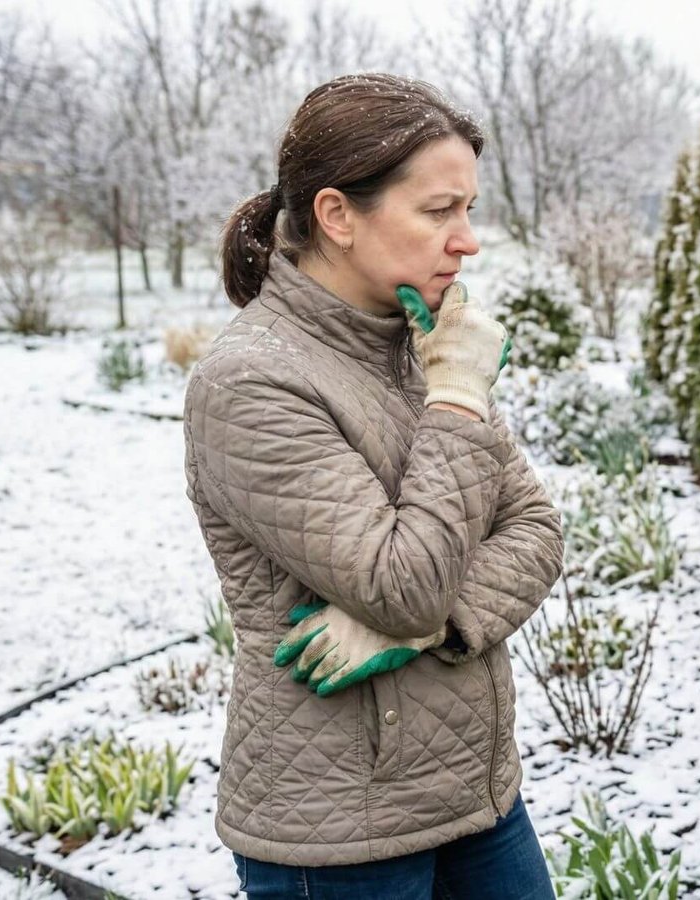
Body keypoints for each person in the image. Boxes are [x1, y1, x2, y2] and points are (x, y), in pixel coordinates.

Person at [182, 72, 565, 899]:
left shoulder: (422, 343)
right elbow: (402, 585)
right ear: (337, 215)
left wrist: (433, 628)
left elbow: (536, 529)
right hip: (341, 835)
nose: (467, 241)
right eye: (439, 211)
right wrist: (456, 398)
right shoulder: (251, 382)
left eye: (468, 209)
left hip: (477, 796)